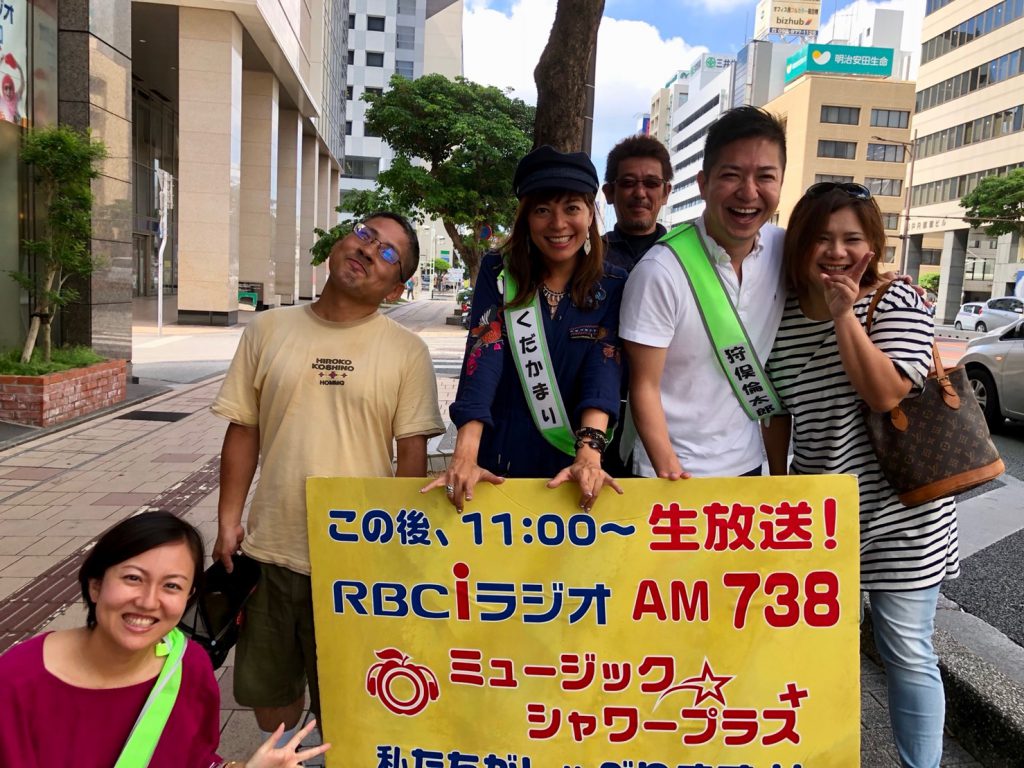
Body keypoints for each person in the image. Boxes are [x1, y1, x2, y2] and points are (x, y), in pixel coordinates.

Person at [212, 212, 445, 746]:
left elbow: (411, 458)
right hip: (272, 547)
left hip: (355, 560)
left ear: (396, 288)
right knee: (270, 703)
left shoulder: (407, 351)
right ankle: (290, 749)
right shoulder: (267, 330)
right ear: (341, 241)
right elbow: (243, 429)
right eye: (365, 235)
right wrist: (228, 520)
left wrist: (396, 549)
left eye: (388, 253)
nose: (368, 250)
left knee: (348, 700)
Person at [763, 183, 958, 768]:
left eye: (852, 238)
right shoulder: (779, 311)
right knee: (821, 647)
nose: (836, 251)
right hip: (822, 516)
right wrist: (779, 487)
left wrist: (844, 314)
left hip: (903, 512)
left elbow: (884, 393)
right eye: (821, 238)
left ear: (873, 246)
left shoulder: (897, 300)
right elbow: (774, 409)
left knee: (907, 651)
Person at [0, 511, 329, 767]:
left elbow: (196, 760)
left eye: (172, 586)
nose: (148, 601)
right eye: (133, 578)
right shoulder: (16, 679)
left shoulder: (188, 665)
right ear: (95, 585)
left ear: (189, 598)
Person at [422, 145, 626, 513]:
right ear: (526, 218)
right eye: (542, 210)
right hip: (498, 463)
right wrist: (465, 454)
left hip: (575, 465)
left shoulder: (612, 283)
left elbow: (604, 368)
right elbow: (483, 355)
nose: (558, 224)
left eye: (572, 208)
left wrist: (589, 454)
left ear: (590, 214)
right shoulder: (498, 271)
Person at [620, 106, 788, 478]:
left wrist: (884, 284)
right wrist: (671, 474)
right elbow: (643, 387)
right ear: (703, 183)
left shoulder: (784, 249)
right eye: (731, 175)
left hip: (746, 465)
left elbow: (838, 274)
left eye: (765, 176)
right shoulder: (660, 271)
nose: (749, 192)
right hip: (670, 472)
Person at [601, 134, 673, 273]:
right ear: (609, 192)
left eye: (651, 183)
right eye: (628, 183)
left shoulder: (681, 256)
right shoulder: (586, 256)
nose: (640, 193)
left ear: (666, 193)